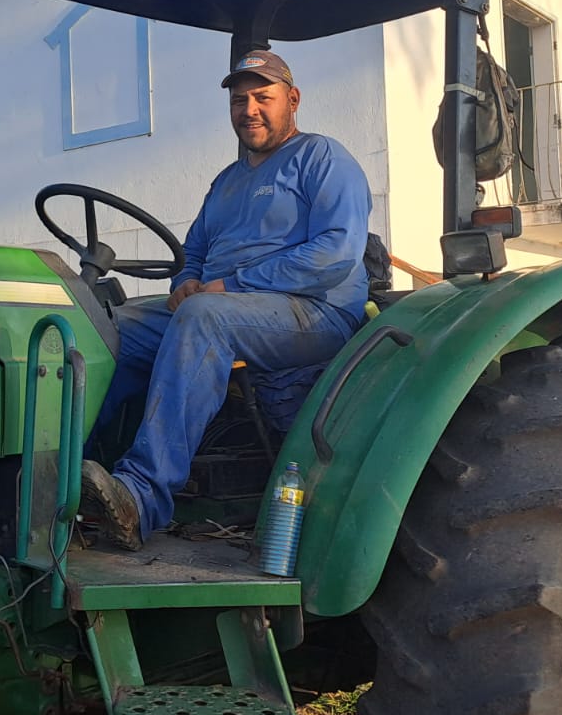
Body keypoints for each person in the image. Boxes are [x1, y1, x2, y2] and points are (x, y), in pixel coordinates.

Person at [79, 50, 372, 549]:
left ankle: (142, 495)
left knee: (204, 317)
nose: (249, 109)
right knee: (108, 324)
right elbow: (193, 251)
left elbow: (335, 254)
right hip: (223, 306)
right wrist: (186, 281)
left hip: (313, 312)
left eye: (263, 97)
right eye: (239, 101)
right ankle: (55, 476)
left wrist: (228, 286)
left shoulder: (322, 158)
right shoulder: (227, 181)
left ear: (293, 99)